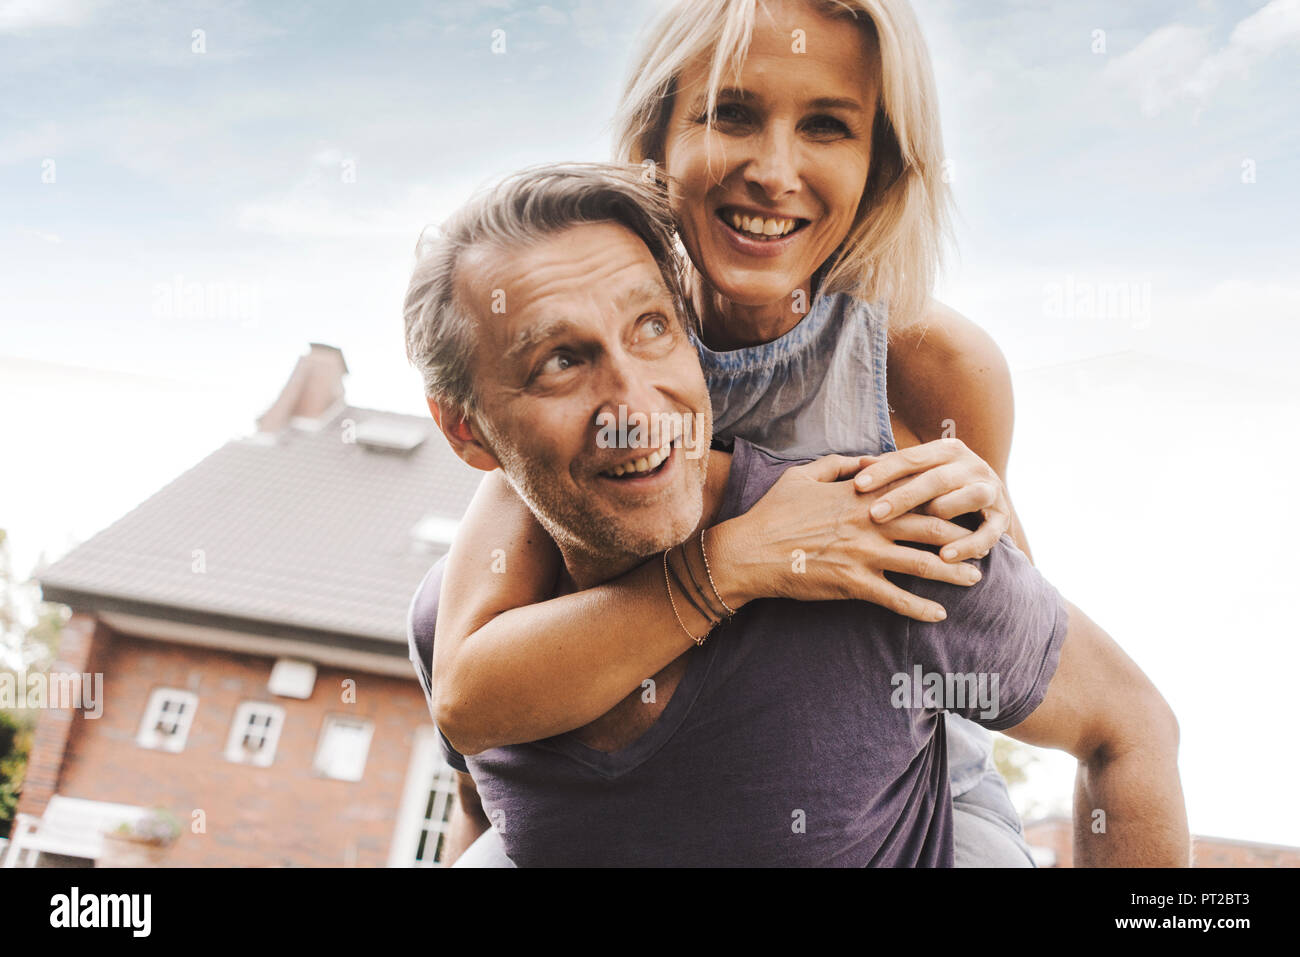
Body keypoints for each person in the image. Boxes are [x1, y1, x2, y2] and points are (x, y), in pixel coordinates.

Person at [414, 0, 1060, 865]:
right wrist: (740, 558)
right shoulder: (593, 366)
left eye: (828, 125)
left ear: (879, 163)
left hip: (905, 792)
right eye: (732, 114)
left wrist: (984, 527)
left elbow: (1018, 648)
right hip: (639, 788)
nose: (773, 170)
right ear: (657, 140)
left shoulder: (930, 365)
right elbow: (471, 694)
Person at [403, 164, 1187, 866]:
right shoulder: (463, 617)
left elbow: (1131, 725)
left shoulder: (875, 536)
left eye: (652, 328)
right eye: (561, 362)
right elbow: (488, 801)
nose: (635, 411)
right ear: (466, 430)